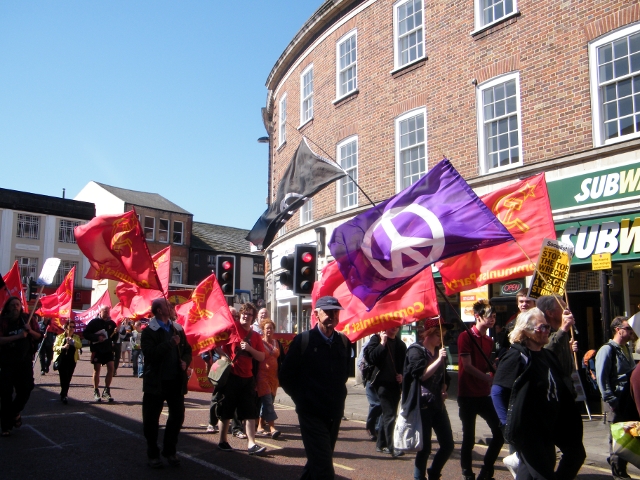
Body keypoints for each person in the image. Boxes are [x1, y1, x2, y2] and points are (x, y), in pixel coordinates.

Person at [491, 307, 585, 480]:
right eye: (542, 327)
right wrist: (507, 425)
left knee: (576, 454)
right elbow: (497, 392)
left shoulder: (547, 355)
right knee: (544, 473)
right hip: (529, 430)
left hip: (551, 424)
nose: (547, 330)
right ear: (526, 331)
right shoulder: (516, 356)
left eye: (548, 327)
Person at [280, 296, 352, 479]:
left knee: (318, 462)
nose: (332, 315)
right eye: (327, 311)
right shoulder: (304, 341)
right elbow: (285, 376)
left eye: (335, 312)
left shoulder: (343, 342)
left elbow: (344, 375)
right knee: (324, 468)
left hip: (334, 412)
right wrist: (302, 399)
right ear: (316, 314)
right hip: (311, 413)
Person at [141, 298, 192, 468]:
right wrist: (169, 343)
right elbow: (150, 354)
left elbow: (187, 350)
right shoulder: (149, 331)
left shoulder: (177, 329)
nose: (170, 306)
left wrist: (185, 361)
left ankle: (170, 450)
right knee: (151, 420)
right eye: (166, 305)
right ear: (159, 310)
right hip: (156, 382)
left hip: (175, 381)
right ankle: (153, 453)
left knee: (177, 416)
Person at [402, 318, 454, 480]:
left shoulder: (439, 351)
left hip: (437, 404)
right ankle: (419, 477)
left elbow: (444, 377)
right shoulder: (415, 351)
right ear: (428, 334)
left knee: (448, 445)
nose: (441, 339)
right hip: (421, 405)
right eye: (438, 335)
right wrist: (438, 360)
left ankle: (434, 472)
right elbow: (421, 376)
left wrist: (444, 388)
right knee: (424, 448)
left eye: (443, 335)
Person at [457, 300, 504, 480]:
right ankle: (467, 472)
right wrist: (489, 379)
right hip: (467, 394)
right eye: (489, 316)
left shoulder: (489, 340)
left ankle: (486, 470)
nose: (492, 319)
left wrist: (494, 370)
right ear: (477, 316)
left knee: (500, 432)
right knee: (469, 437)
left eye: (494, 316)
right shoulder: (465, 336)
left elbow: (485, 365)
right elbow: (467, 366)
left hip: (484, 394)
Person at [216, 302, 267, 455]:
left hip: (248, 378)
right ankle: (222, 441)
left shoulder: (255, 336)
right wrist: (225, 357)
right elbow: (216, 344)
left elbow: (261, 357)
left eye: (249, 314)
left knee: (250, 412)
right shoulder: (231, 328)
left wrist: (250, 349)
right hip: (231, 376)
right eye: (244, 313)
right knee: (226, 411)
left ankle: (252, 444)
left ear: (253, 317)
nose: (246, 316)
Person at [596, 316, 638, 479]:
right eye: (628, 328)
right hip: (616, 400)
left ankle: (621, 468)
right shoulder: (607, 350)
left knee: (628, 435)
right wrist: (611, 400)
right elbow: (602, 379)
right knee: (618, 436)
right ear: (618, 330)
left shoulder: (626, 348)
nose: (631, 332)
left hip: (627, 400)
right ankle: (618, 471)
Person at [0, 297, 42, 436]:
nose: (15, 307)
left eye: (17, 304)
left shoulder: (28, 319)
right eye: (12, 305)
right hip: (6, 362)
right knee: (5, 393)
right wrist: (17, 337)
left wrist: (30, 331)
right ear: (8, 307)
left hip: (24, 362)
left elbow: (39, 336)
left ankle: (14, 413)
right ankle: (6, 427)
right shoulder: (3, 321)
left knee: (26, 388)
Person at [365, 325, 407, 457]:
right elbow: (372, 358)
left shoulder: (400, 344)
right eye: (391, 325)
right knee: (390, 415)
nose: (395, 328)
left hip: (395, 384)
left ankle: (380, 443)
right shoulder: (376, 339)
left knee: (388, 413)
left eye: (397, 326)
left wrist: (402, 375)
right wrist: (382, 343)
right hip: (381, 384)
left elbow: (404, 365)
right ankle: (391, 446)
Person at [206, 307, 246, 438]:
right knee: (217, 395)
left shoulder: (239, 329)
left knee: (236, 397)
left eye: (235, 316)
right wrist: (224, 356)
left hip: (236, 367)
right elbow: (214, 345)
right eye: (231, 315)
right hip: (223, 365)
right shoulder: (222, 328)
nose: (234, 318)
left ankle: (237, 428)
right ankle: (212, 423)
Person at [536, 295, 579, 385]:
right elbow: (547, 352)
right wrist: (563, 329)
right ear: (550, 313)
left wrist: (569, 351)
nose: (568, 312)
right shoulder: (541, 333)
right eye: (563, 308)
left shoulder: (563, 333)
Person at [83, 305, 117, 402]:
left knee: (111, 368)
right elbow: (86, 334)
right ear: (100, 312)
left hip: (108, 349)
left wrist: (116, 332)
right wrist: (97, 337)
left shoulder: (111, 323)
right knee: (97, 369)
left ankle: (106, 390)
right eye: (105, 311)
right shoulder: (94, 322)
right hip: (97, 349)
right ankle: (96, 390)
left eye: (108, 311)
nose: (107, 312)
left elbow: (114, 338)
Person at [256, 318, 283, 439]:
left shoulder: (277, 343)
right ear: (263, 330)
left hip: (274, 377)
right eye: (267, 328)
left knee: (268, 402)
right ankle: (272, 428)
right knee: (267, 401)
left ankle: (260, 425)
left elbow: (282, 359)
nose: (269, 330)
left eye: (271, 328)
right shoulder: (260, 343)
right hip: (262, 376)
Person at [52, 320, 82, 404]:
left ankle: (64, 392)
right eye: (70, 327)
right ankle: (64, 394)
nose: (72, 329)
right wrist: (63, 347)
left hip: (72, 360)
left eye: (73, 327)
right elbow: (54, 347)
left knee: (68, 377)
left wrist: (73, 341)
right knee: (63, 377)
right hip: (62, 360)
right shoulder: (59, 337)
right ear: (65, 328)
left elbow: (80, 345)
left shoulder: (76, 337)